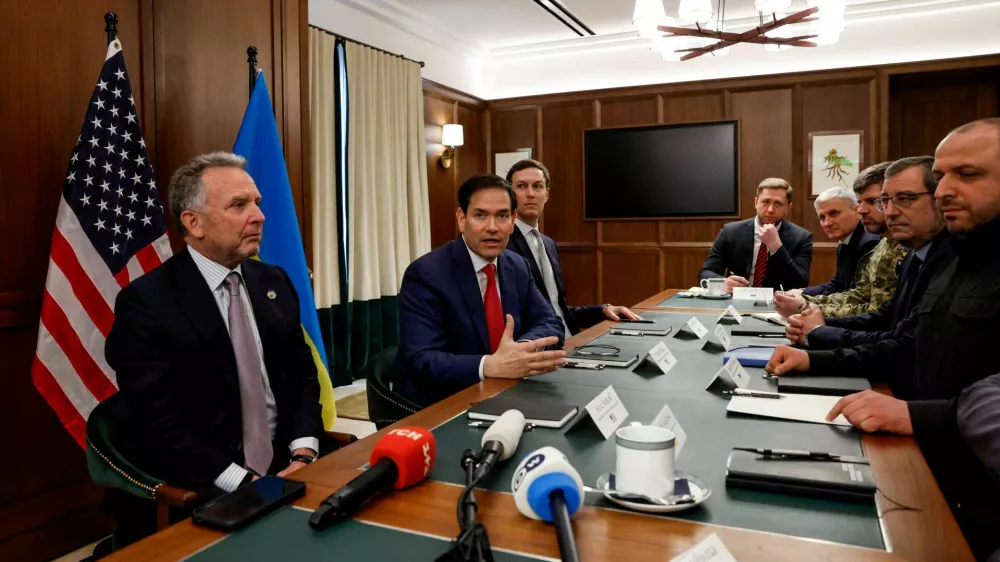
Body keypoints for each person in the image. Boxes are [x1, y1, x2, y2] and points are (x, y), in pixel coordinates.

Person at [765, 118, 1000, 559]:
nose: (947, 188)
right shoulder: (951, 257)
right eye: (942, 176)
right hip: (929, 459)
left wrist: (916, 415)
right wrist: (815, 358)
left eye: (966, 175)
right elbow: (906, 340)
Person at [106, 152, 325, 500]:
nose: (259, 216)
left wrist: (304, 451)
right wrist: (240, 482)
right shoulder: (147, 303)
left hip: (290, 468)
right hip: (203, 483)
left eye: (257, 203)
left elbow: (302, 378)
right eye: (239, 205)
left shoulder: (274, 281)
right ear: (194, 223)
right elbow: (159, 422)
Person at [394, 174, 566, 406]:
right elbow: (422, 360)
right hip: (442, 403)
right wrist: (490, 365)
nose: (492, 227)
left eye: (502, 216)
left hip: (506, 391)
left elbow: (549, 321)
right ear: (461, 218)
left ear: (513, 220)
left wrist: (521, 351)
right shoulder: (426, 274)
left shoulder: (516, 265)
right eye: (480, 215)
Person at [786, 157, 951, 349]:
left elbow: (898, 338)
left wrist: (812, 315)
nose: (862, 210)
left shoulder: (908, 249)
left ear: (940, 197)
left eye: (903, 199)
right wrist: (814, 319)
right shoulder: (904, 250)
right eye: (883, 201)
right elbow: (878, 309)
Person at [504, 159, 639, 336]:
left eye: (537, 186)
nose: (530, 194)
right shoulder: (503, 245)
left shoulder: (549, 244)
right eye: (521, 186)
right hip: (540, 348)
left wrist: (602, 310)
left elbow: (558, 310)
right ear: (510, 195)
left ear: (546, 194)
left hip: (571, 340)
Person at [773, 163, 907, 318]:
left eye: (873, 201)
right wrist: (805, 298)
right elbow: (857, 293)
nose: (827, 223)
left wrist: (805, 307)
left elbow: (877, 314)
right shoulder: (881, 243)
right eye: (822, 217)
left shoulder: (873, 243)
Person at [699, 178, 813, 291]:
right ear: (756, 202)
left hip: (777, 303)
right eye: (766, 202)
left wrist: (777, 247)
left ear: (788, 208)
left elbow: (801, 282)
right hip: (735, 302)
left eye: (778, 204)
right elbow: (705, 273)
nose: (770, 210)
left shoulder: (801, 238)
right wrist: (721, 284)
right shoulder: (731, 232)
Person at [800, 186, 880, 296]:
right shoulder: (845, 242)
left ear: (857, 211)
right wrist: (802, 293)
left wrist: (806, 302)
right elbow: (838, 284)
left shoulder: (870, 244)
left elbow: (857, 297)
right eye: (822, 217)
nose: (827, 223)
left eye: (834, 213)